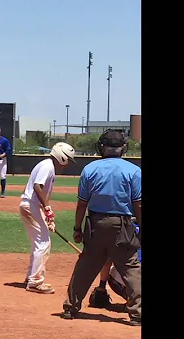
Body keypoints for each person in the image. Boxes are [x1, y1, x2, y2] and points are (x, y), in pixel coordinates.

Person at [60, 129, 142, 326]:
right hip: (122, 224)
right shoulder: (133, 171)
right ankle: (137, 313)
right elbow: (138, 204)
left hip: (95, 224)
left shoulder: (90, 169)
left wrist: (77, 227)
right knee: (130, 268)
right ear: (124, 148)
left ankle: (71, 307)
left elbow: (82, 203)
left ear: (102, 147)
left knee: (86, 266)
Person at [19, 142, 76, 294]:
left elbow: (40, 191)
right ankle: (35, 282)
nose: (68, 163)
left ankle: (31, 277)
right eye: (68, 159)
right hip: (31, 205)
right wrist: (47, 209)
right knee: (43, 243)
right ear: (62, 157)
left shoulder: (47, 164)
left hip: (31, 205)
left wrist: (47, 217)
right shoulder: (48, 166)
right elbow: (38, 187)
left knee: (39, 242)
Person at [89, 219, 141, 309]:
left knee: (114, 272)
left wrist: (101, 287)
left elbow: (107, 262)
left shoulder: (122, 230)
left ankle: (134, 300)